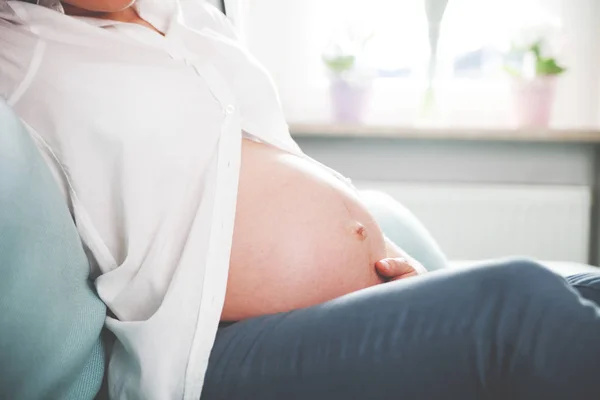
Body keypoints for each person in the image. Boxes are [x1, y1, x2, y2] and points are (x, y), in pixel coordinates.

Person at [0, 1, 599, 399]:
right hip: (205, 355)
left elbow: (266, 167)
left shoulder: (189, 19)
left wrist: (387, 264)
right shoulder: (21, 51)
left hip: (335, 309)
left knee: (586, 291)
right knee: (517, 305)